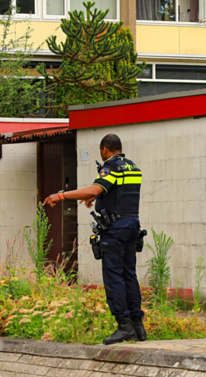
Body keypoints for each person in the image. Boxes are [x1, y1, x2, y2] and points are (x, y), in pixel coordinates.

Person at [43, 134, 145, 345]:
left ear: (104, 149)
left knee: (114, 277)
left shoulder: (111, 167)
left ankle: (124, 326)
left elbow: (95, 188)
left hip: (115, 230)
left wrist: (60, 195)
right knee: (129, 275)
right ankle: (137, 326)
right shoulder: (133, 167)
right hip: (131, 225)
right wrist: (98, 197)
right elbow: (119, 192)